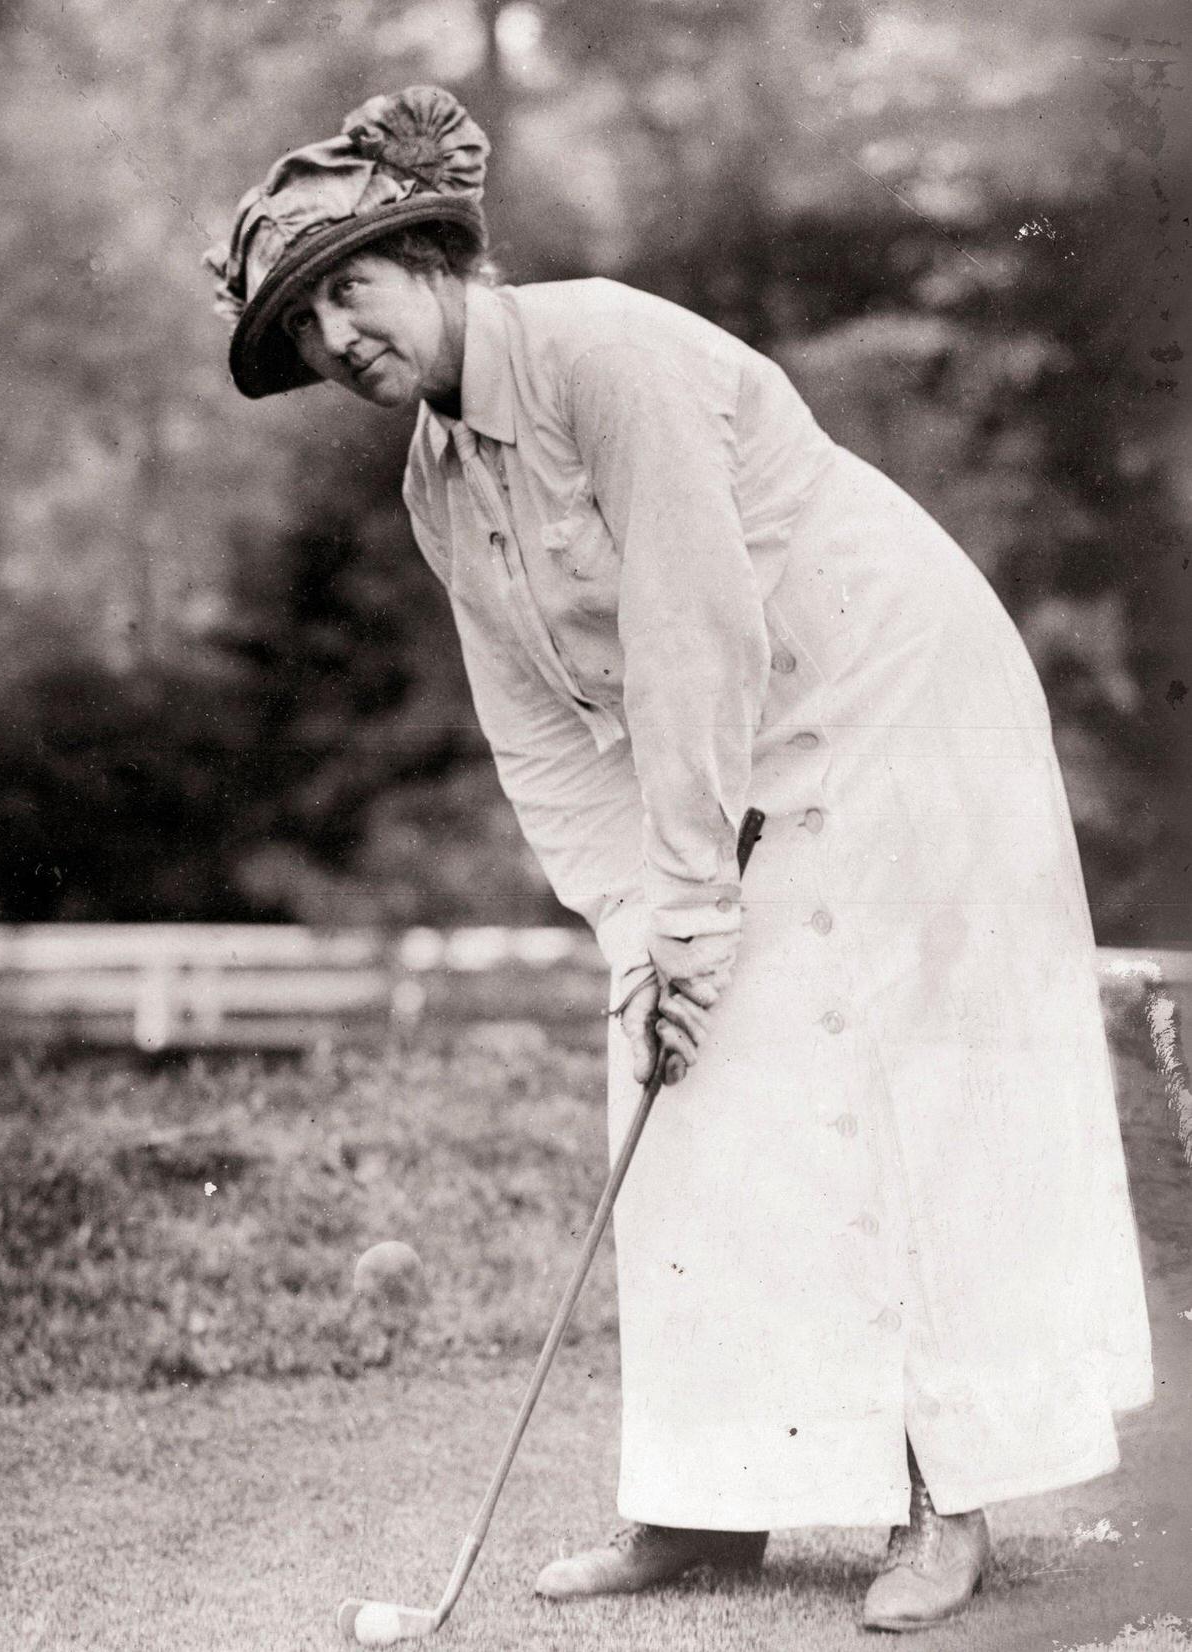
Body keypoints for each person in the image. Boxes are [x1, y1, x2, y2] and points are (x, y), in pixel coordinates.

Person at [205, 85, 1153, 1631]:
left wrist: (701, 892)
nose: (335, 345)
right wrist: (641, 916)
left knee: (892, 1082)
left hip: (895, 707)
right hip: (738, 741)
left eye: (345, 294)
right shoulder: (437, 478)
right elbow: (540, 728)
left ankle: (945, 1499)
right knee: (676, 1067)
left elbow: (694, 627)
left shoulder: (607, 352)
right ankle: (708, 1504)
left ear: (432, 253)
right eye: (303, 333)